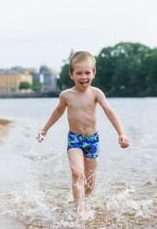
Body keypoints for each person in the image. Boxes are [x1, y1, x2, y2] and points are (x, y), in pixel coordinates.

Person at [37, 51, 129, 220]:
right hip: (75, 139)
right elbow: (58, 112)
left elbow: (109, 112)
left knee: (90, 183)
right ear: (71, 75)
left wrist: (121, 133)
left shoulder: (96, 93)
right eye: (79, 73)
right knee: (78, 173)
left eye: (87, 72)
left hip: (92, 140)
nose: (83, 76)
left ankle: (80, 200)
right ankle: (80, 209)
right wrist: (45, 130)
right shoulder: (66, 95)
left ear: (93, 74)